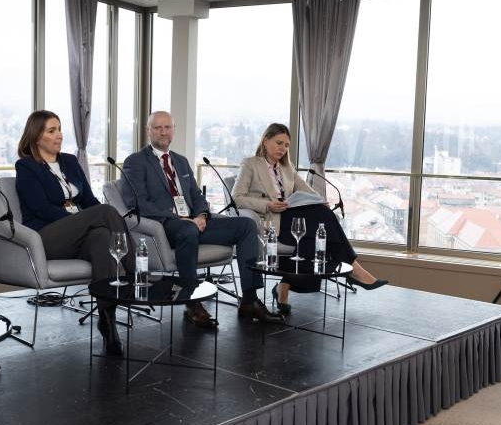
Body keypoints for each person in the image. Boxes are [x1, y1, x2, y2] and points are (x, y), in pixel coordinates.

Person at [121, 111, 282, 326]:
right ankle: (192, 303)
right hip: (165, 225)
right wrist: (179, 218)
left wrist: (202, 215)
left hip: (194, 224)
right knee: (188, 230)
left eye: (167, 127)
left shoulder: (180, 161)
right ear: (148, 131)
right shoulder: (135, 162)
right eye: (157, 128)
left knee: (246, 225)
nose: (163, 132)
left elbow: (196, 196)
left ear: (174, 130)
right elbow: (137, 203)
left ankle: (249, 300)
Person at [13, 110, 134, 355]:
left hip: (79, 235)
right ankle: (137, 272)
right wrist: (82, 219)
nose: (59, 135)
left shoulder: (69, 161)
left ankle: (107, 321)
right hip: (47, 237)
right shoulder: (26, 166)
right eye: (51, 130)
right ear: (36, 137)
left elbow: (89, 200)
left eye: (59, 129)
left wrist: (88, 219)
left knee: (102, 237)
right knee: (105, 212)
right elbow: (41, 209)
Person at [234, 123, 388, 314]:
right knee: (323, 222)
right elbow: (237, 198)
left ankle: (284, 287)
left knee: (321, 223)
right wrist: (267, 205)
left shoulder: (286, 167)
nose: (283, 149)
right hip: (272, 219)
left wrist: (320, 201)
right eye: (279, 143)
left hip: (290, 215)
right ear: (265, 141)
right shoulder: (250, 164)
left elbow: (307, 191)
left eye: (286, 145)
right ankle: (354, 270)